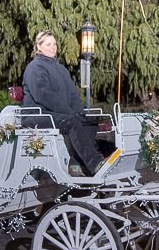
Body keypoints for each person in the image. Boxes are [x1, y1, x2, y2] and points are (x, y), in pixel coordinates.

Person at [22, 30, 105, 174]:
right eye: (48, 44)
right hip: (39, 115)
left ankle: (76, 165)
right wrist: (70, 113)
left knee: (89, 121)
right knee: (72, 121)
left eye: (54, 44)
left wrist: (78, 112)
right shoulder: (35, 67)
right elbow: (44, 95)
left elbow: (73, 94)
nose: (53, 47)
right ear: (39, 47)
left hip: (57, 114)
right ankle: (95, 163)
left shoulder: (61, 69)